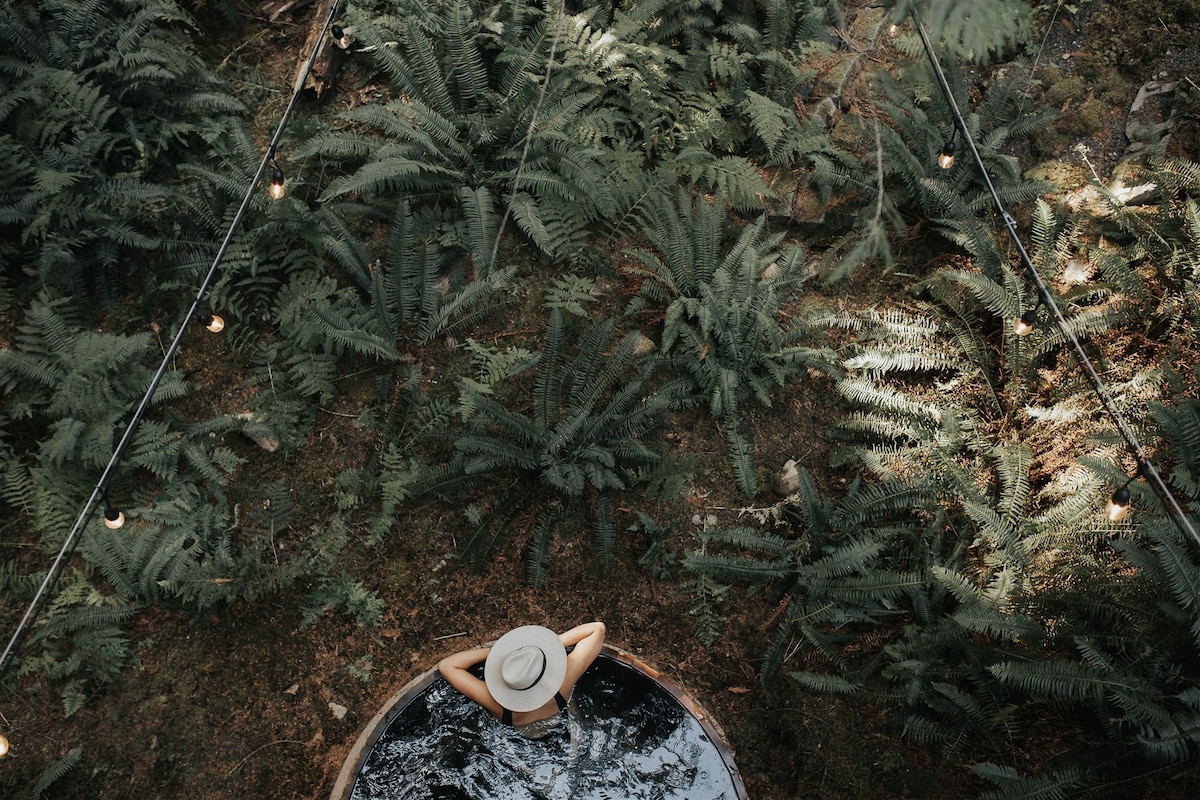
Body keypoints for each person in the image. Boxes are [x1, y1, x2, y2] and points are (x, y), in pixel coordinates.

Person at [438, 621, 606, 738]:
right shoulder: (565, 679)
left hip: (520, 733)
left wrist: (495, 653)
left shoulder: (495, 703)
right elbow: (597, 629)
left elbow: (448, 666)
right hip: (557, 719)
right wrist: (551, 643)